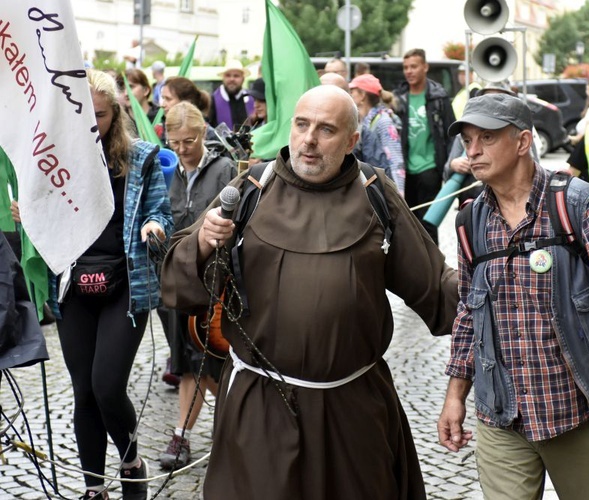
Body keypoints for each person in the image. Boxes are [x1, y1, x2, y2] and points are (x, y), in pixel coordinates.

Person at [160, 84, 458, 499]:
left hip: (351, 408)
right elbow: (179, 285)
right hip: (259, 407)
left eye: (326, 129)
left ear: (352, 141)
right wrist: (203, 243)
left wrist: (500, 283)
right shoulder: (251, 190)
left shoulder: (375, 194)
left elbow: (437, 289)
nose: (309, 140)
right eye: (301, 125)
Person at [437, 93, 589, 499]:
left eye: (486, 138)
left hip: (574, 412)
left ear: (523, 142)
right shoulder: (470, 220)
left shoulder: (575, 204)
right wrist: (456, 395)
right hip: (500, 415)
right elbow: (468, 315)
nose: (472, 151)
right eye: (468, 140)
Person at [49, 69, 173, 499]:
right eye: (84, 115)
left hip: (126, 284)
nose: (91, 124)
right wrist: (30, 215)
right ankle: (94, 488)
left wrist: (154, 225)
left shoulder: (139, 157)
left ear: (115, 114)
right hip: (73, 283)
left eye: (99, 116)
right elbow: (45, 214)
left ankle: (131, 460)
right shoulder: (55, 157)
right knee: (84, 390)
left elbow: (162, 211)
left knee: (106, 385)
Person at [159, 101, 236, 470]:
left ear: (203, 134)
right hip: (178, 285)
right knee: (187, 364)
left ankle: (236, 428)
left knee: (217, 366)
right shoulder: (166, 175)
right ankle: (183, 436)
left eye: (188, 140)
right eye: (174, 142)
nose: (182, 148)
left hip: (217, 288)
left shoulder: (224, 171)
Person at [393, 48, 455, 244]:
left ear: (425, 67)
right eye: (405, 67)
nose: (409, 71)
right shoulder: (399, 97)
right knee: (406, 223)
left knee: (427, 224)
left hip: (430, 169)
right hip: (404, 172)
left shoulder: (438, 96)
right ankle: (412, 269)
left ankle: (432, 270)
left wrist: (448, 167)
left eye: (414, 66)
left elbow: (451, 132)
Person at [349, 73, 406, 195]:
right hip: (372, 187)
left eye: (352, 91)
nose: (350, 95)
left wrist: (399, 194)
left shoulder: (383, 121)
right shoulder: (364, 122)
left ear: (362, 95)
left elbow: (396, 159)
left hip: (384, 189)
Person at [207, 60, 254, 131]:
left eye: (236, 76)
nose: (232, 79)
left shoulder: (252, 99)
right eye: (228, 75)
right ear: (223, 78)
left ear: (243, 79)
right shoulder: (212, 100)